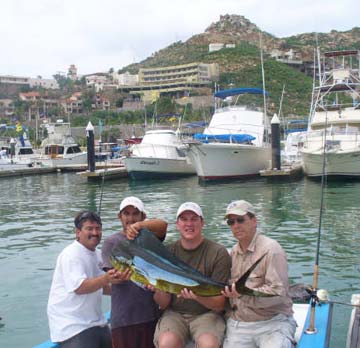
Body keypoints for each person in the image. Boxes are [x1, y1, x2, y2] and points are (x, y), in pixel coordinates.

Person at [153, 201, 231, 348]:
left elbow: (220, 305)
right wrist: (158, 288)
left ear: (202, 223)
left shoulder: (219, 253)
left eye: (194, 219)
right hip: (174, 313)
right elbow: (163, 303)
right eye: (184, 219)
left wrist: (197, 296)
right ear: (177, 224)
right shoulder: (167, 253)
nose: (189, 224)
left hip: (207, 314)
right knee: (167, 343)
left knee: (208, 345)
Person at [221, 200, 296, 348]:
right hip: (239, 324)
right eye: (231, 222)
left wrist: (243, 294)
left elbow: (278, 293)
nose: (236, 225)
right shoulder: (232, 253)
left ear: (254, 221)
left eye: (241, 220)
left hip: (272, 323)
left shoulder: (272, 250)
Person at [47, 210, 121, 348]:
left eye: (98, 228)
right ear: (78, 232)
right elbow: (79, 287)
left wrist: (125, 289)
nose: (94, 232)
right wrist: (106, 278)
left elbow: (102, 286)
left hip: (96, 322)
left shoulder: (98, 254)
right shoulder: (71, 254)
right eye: (89, 229)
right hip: (73, 326)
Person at [101, 196, 168, 348]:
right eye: (126, 214)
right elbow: (112, 276)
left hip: (150, 315)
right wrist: (117, 277)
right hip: (123, 319)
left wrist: (139, 226)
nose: (130, 218)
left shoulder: (150, 239)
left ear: (142, 217)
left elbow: (163, 225)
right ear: (120, 217)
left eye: (135, 214)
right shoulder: (111, 242)